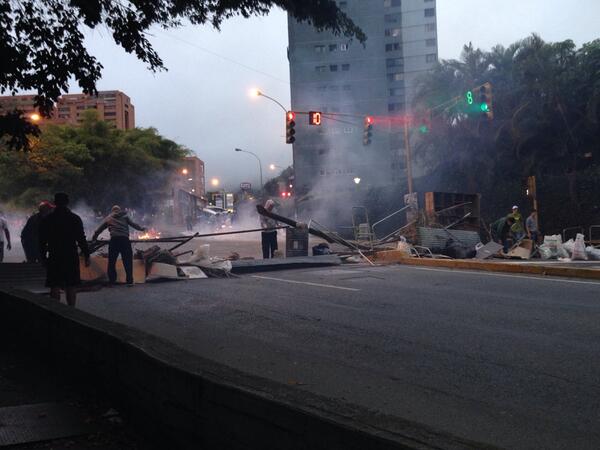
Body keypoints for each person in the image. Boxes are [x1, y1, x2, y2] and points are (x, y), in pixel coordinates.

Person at [39, 193, 90, 307]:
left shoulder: (48, 219)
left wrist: (43, 257)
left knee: (54, 284)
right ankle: (71, 311)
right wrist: (87, 255)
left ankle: (55, 311)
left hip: (54, 255)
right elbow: (81, 238)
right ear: (67, 202)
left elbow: (42, 241)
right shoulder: (74, 218)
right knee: (71, 285)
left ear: (55, 203)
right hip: (70, 255)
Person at [92, 205, 146, 286]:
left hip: (114, 241)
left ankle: (112, 281)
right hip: (124, 240)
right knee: (127, 261)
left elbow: (99, 230)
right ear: (119, 210)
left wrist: (94, 238)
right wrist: (142, 229)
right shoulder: (125, 217)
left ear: (112, 211)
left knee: (112, 262)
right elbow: (134, 225)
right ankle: (129, 280)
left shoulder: (109, 218)